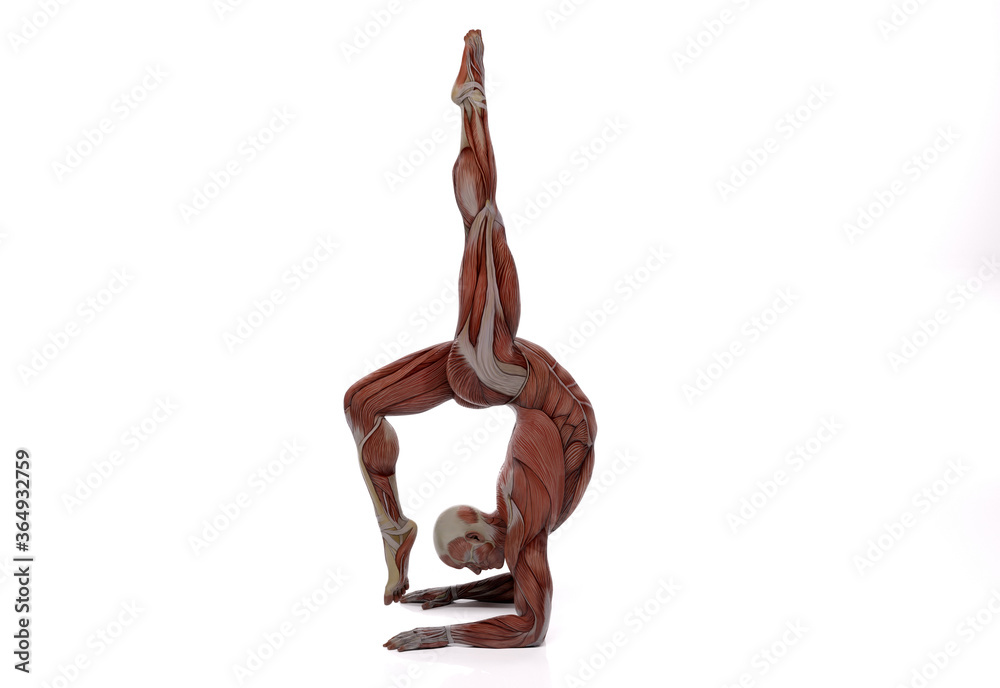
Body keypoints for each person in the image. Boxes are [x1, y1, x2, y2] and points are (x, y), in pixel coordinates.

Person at [343, 30, 596, 651]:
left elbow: (530, 623)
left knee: (480, 228)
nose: (478, 571)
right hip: (534, 399)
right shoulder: (521, 506)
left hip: (527, 394)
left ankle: (472, 105)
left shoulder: (519, 504)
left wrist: (446, 631)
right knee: (362, 402)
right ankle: (472, 103)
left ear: (480, 533)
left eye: (467, 563)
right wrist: (452, 597)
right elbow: (525, 595)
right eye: (468, 567)